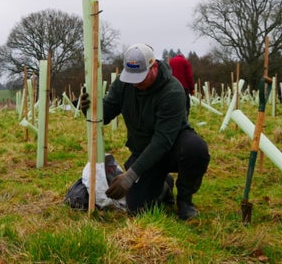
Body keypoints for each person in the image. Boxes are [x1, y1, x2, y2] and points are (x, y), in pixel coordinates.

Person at [81, 43, 210, 220]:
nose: (135, 83)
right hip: (143, 153)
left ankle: (185, 201)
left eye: (140, 77)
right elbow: (107, 113)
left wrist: (130, 176)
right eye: (132, 78)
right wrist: (89, 108)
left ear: (154, 67)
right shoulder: (124, 84)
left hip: (172, 148)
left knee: (196, 149)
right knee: (138, 210)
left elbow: (162, 141)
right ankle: (164, 187)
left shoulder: (172, 91)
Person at [169, 50, 195, 116]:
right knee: (186, 105)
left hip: (172, 87)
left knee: (174, 104)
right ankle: (184, 121)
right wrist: (192, 89)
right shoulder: (185, 62)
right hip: (183, 87)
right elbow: (189, 76)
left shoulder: (171, 62)